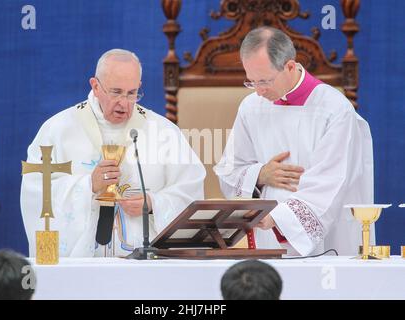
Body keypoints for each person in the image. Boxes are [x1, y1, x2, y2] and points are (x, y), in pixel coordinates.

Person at [21, 49, 205, 257]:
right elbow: (36, 193)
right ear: (95, 86)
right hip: (81, 266)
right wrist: (89, 185)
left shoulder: (163, 132)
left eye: (132, 93)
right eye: (116, 92)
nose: (124, 103)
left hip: (144, 268)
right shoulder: (57, 130)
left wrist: (153, 204)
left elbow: (191, 192)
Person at [214, 27, 373, 256]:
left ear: (289, 66)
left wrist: (279, 219)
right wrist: (259, 175)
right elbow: (230, 170)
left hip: (322, 240)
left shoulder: (333, 109)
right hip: (265, 237)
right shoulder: (251, 107)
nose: (258, 91)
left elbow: (332, 183)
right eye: (251, 82)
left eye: (264, 81)